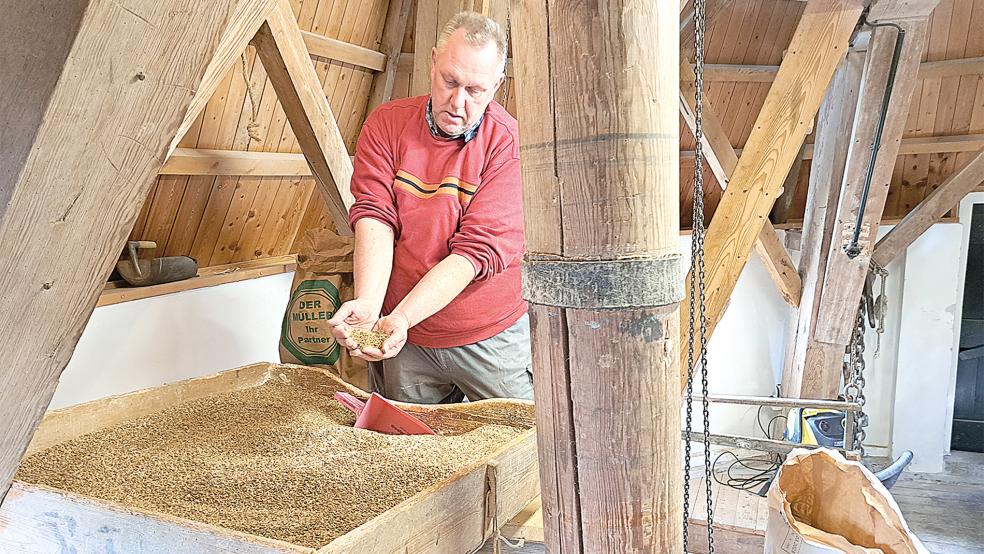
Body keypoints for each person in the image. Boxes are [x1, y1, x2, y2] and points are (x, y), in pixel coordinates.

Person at [327, 11, 531, 403]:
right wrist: (370, 304)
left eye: (475, 91)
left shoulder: (509, 145)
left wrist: (402, 317)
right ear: (433, 61)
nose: (458, 102)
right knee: (410, 448)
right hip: (405, 337)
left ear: (497, 86)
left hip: (488, 335)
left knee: (521, 444)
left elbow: (473, 254)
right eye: (449, 81)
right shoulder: (387, 125)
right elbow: (374, 215)